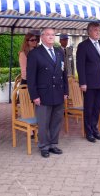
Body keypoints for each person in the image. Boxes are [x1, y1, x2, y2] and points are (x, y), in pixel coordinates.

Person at [27, 28, 68, 158]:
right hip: (43, 94)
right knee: (43, 122)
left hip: (58, 92)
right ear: (42, 37)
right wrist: (34, 96)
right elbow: (31, 77)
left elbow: (64, 73)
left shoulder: (58, 52)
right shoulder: (35, 54)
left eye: (53, 35)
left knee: (56, 120)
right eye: (48, 35)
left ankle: (53, 144)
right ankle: (44, 146)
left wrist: (66, 91)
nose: (51, 37)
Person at [76, 22, 100, 143]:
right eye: (95, 30)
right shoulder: (83, 46)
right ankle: (88, 132)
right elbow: (80, 65)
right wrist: (82, 82)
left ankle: (95, 130)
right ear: (89, 31)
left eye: (99, 30)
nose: (98, 32)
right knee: (89, 108)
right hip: (89, 83)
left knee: (97, 107)